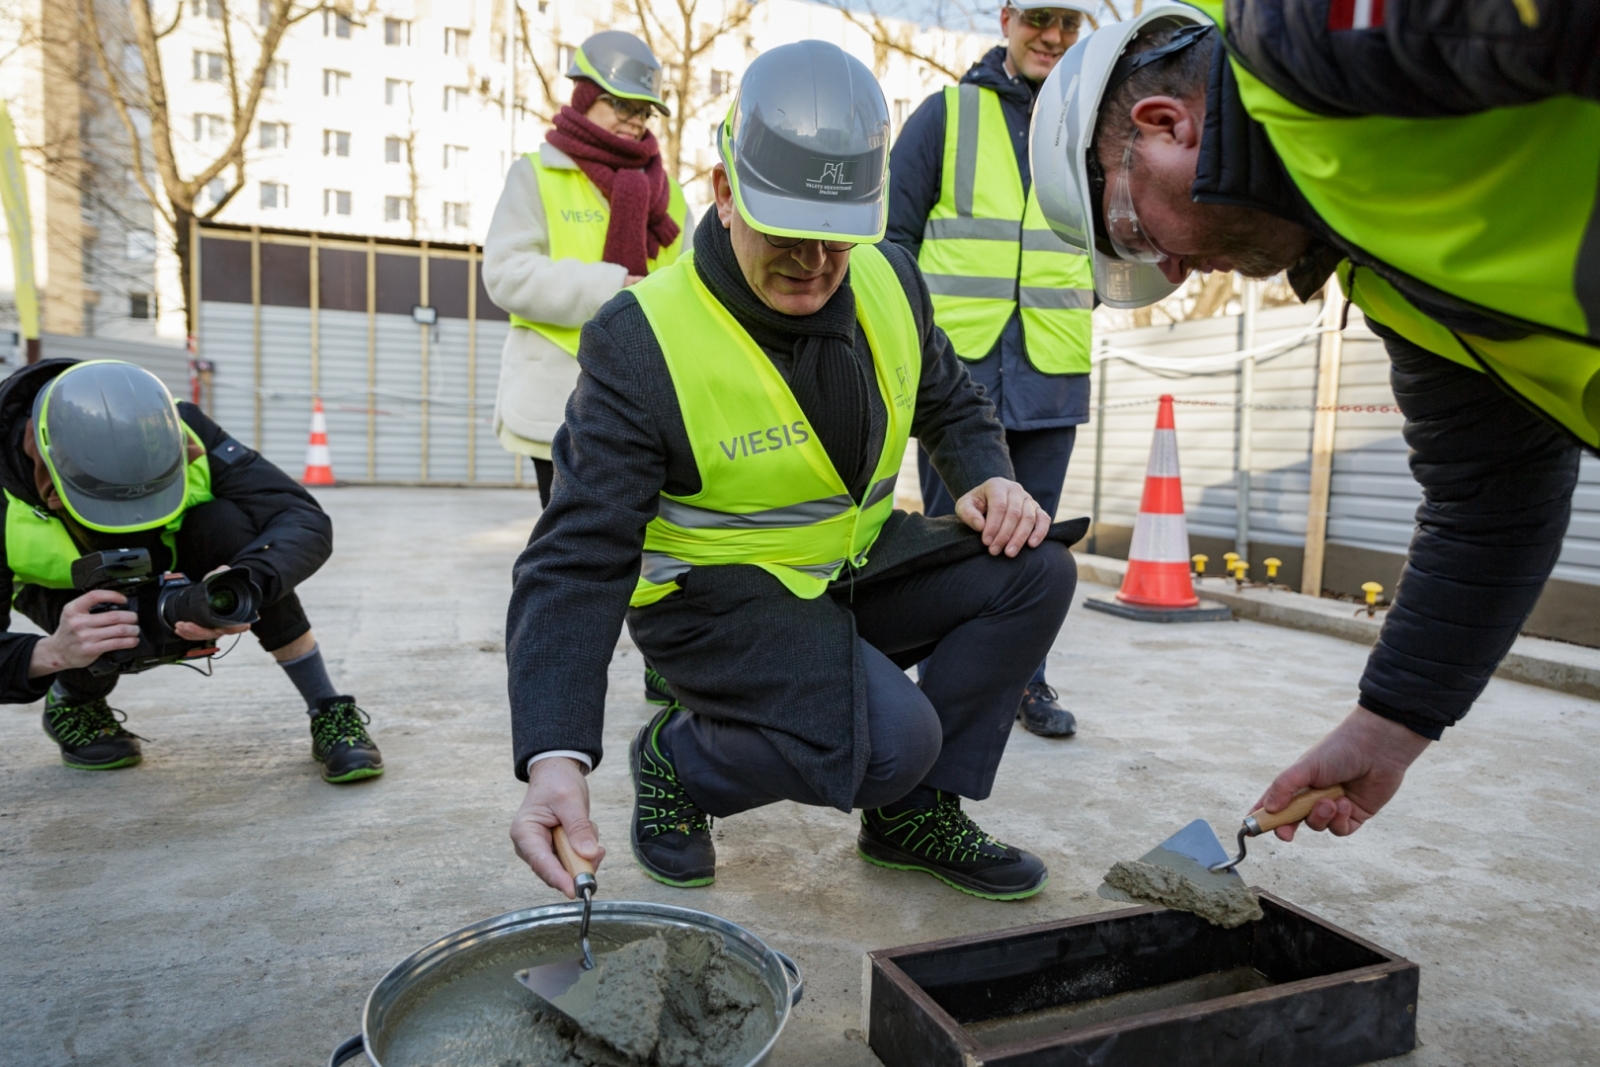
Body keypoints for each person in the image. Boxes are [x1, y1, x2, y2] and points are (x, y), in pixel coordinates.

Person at [506, 41, 1083, 904]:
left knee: (1036, 569)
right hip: (712, 607)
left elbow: (953, 401)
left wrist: (982, 476)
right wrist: (555, 754)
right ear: (726, 189)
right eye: (789, 234)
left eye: (837, 240)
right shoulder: (644, 336)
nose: (813, 264)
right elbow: (577, 556)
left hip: (848, 572)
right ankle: (678, 764)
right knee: (891, 741)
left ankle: (913, 819)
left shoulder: (892, 280)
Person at [1028, 1, 1600, 842]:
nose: (1177, 275)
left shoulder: (1293, 38)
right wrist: (1388, 723)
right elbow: (1491, 503)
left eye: (1136, 234)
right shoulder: (1395, 289)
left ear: (1164, 126)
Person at [0, 360, 380, 782]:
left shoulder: (176, 424)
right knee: (105, 630)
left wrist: (243, 585)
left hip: (172, 557)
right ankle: (73, 700)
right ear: (45, 465)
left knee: (230, 528)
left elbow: (301, 518)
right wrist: (52, 653)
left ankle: (326, 705)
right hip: (69, 589)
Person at [888, 2, 1095, 738]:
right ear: (1007, 16)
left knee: (1034, 544)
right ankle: (936, 689)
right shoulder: (945, 116)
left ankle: (1024, 683)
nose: (1053, 37)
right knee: (954, 541)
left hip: (1051, 368)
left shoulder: (1091, 123)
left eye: (1070, 23)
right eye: (1040, 17)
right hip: (959, 376)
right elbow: (892, 244)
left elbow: (1121, 236)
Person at [485, 29, 688, 511]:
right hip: (558, 398)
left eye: (643, 111)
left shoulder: (670, 195)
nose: (635, 122)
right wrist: (615, 289)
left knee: (640, 555)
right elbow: (506, 273)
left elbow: (692, 282)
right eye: (621, 106)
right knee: (572, 552)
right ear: (585, 97)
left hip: (644, 397)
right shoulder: (536, 175)